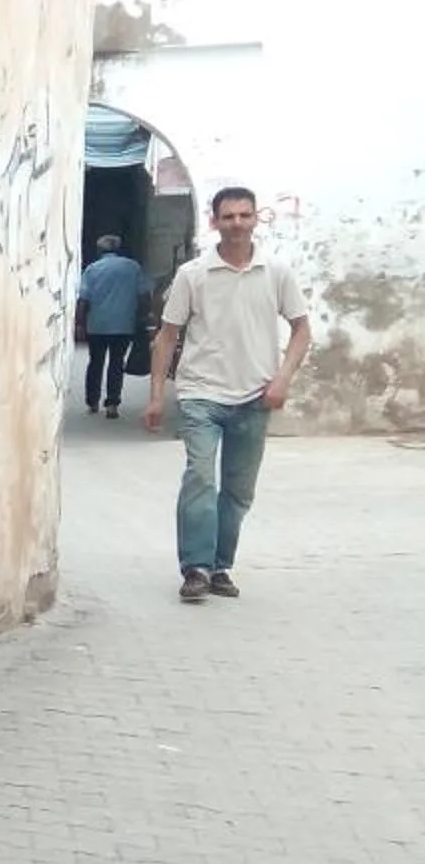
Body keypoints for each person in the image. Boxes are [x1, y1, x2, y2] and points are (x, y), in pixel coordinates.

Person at [146, 187, 310, 603]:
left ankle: (220, 566)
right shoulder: (193, 274)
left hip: (256, 396)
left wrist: (283, 379)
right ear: (214, 221)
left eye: (244, 215)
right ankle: (196, 568)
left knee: (238, 491)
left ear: (256, 219)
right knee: (200, 478)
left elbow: (301, 330)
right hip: (202, 393)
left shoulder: (276, 272)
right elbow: (167, 336)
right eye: (228, 216)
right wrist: (156, 395)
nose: (236, 223)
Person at [77, 235, 146, 418]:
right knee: (117, 362)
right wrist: (143, 316)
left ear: (99, 251)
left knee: (95, 362)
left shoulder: (92, 269)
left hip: (97, 325)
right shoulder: (133, 267)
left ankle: (92, 401)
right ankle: (112, 404)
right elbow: (143, 294)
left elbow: (83, 299)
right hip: (124, 324)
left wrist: (79, 323)